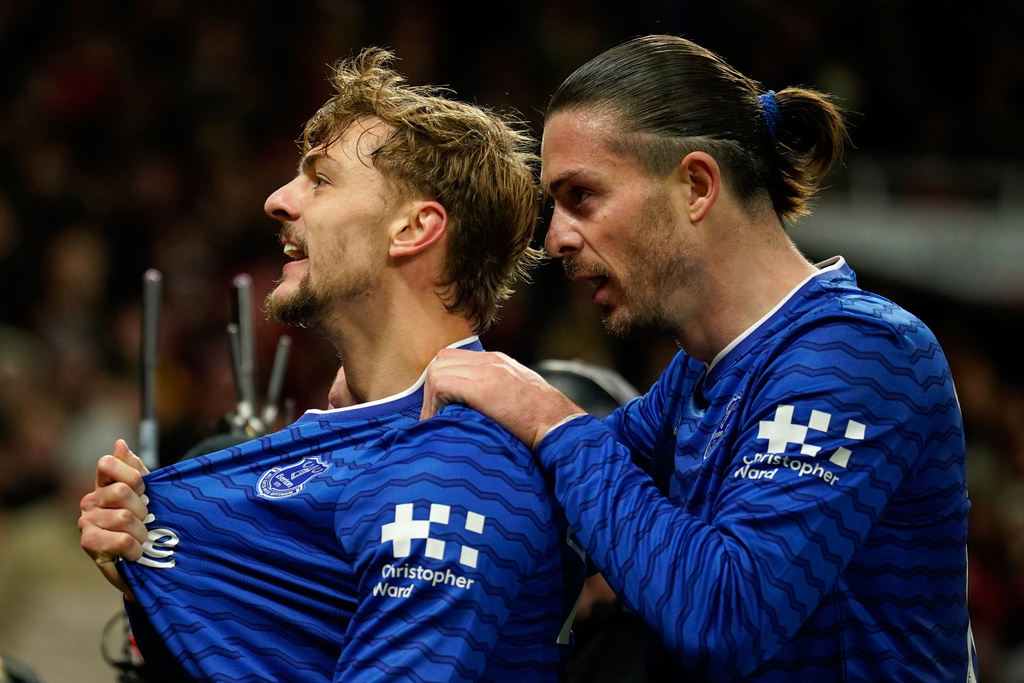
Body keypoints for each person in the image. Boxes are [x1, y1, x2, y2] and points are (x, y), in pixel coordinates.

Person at [420, 35, 978, 682]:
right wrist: (380, 419)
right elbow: (548, 490)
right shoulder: (702, 370)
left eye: (582, 197)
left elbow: (726, 615)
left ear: (695, 185)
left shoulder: (861, 353)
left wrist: (548, 417)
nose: (556, 239)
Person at [78, 47, 585, 682]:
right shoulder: (361, 443)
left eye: (320, 179)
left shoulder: (459, 468)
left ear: (413, 228)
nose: (277, 200)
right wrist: (160, 571)